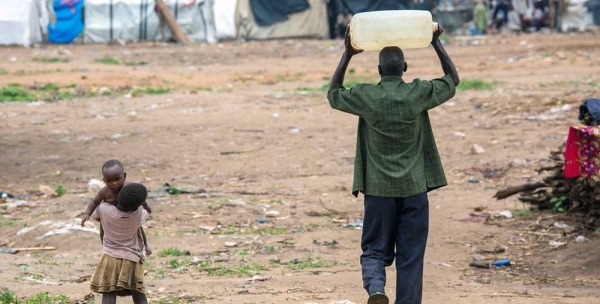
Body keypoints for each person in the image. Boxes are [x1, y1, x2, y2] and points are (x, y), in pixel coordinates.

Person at [326, 24, 459, 304]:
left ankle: (376, 287)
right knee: (411, 256)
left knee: (374, 250)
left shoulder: (366, 96)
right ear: (405, 68)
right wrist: (435, 42)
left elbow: (334, 93)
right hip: (414, 189)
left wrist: (347, 54)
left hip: (378, 191)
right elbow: (452, 80)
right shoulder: (417, 93)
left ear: (378, 70)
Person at [90, 183, 150, 304]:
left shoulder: (103, 209)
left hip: (110, 258)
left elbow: (95, 214)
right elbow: (146, 212)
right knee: (139, 294)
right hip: (132, 259)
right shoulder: (138, 214)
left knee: (108, 294)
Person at [80, 159, 152, 256]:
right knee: (103, 229)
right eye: (109, 181)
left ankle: (146, 245)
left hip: (128, 214)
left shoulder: (129, 186)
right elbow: (94, 202)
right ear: (104, 181)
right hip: (110, 216)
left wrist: (146, 206)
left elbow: (138, 197)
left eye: (117, 179)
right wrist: (87, 214)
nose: (114, 183)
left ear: (124, 176)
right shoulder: (105, 192)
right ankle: (106, 249)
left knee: (138, 228)